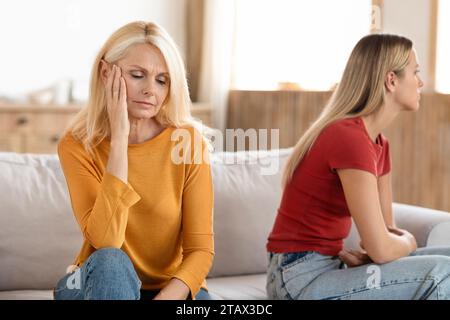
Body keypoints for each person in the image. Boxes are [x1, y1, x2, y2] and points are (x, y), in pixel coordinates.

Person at [266, 34, 450, 300]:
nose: (421, 82)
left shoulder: (379, 144)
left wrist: (388, 247)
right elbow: (383, 247)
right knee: (443, 271)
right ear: (391, 80)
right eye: (415, 72)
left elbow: (386, 235)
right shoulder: (347, 137)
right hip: (298, 277)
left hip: (331, 266)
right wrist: (407, 243)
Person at [54, 21, 214, 300]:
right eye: (138, 75)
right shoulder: (77, 144)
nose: (151, 89)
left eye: (162, 80)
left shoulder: (188, 143)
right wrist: (119, 140)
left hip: (168, 289)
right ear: (106, 73)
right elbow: (106, 242)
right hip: (96, 279)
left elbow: (200, 250)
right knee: (111, 261)